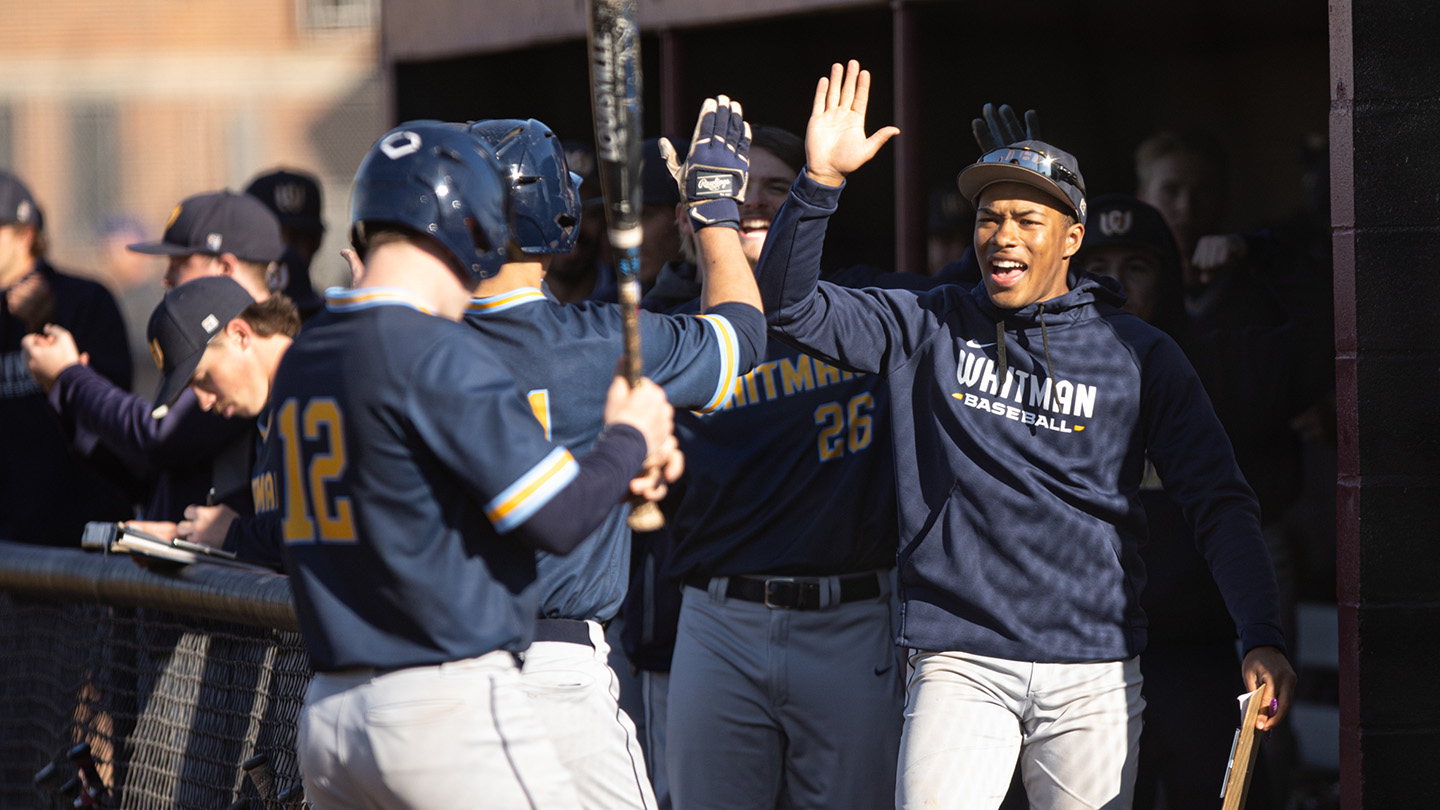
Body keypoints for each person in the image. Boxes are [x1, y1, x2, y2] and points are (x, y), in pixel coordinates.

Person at [758, 60, 1296, 810]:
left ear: (1072, 238)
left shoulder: (1140, 353)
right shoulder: (929, 322)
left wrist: (1260, 633)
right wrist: (817, 184)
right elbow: (787, 308)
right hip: (959, 660)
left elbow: (1218, 500)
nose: (1001, 236)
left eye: (1027, 220)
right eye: (989, 217)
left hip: (1094, 669)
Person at [276, 120, 680, 810]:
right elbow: (559, 520)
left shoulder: (306, 354)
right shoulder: (434, 349)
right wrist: (628, 439)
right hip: (439, 710)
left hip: (330, 716)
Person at [458, 103, 764, 810]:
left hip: (419, 670)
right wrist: (714, 214)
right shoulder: (604, 343)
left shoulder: (402, 345)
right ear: (555, 217)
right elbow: (742, 342)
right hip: (550, 669)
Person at [644, 121, 911, 810]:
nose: (757, 204)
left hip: (851, 616)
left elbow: (974, 306)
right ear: (695, 211)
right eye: (738, 188)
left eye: (777, 188)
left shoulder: (859, 307)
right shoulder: (660, 329)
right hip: (718, 617)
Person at [1077, 194, 1278, 810]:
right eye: (1097, 264)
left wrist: (1254, 257)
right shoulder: (1037, 367)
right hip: (1081, 666)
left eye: (1136, 266)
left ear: (1168, 275)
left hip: (1197, 655)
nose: (1114, 281)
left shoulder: (1210, 359)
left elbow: (1224, 509)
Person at [24, 190, 287, 523]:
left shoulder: (251, 357)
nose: (166, 278)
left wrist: (71, 377)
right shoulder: (211, 346)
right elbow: (152, 472)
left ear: (224, 268)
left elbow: (158, 435)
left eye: (179, 264)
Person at [121, 276, 302, 570]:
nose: (204, 402)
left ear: (240, 335)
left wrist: (232, 534)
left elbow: (330, 540)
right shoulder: (271, 408)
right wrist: (186, 538)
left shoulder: (316, 389)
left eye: (204, 378)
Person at [3, 170, 134, 544]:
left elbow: (111, 421)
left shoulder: (82, 301)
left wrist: (47, 326)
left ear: (25, 236)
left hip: (77, 536)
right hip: (10, 538)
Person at [244, 168, 326, 318]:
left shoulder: (328, 320)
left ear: (316, 243)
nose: (284, 249)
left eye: (298, 237)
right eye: (270, 237)